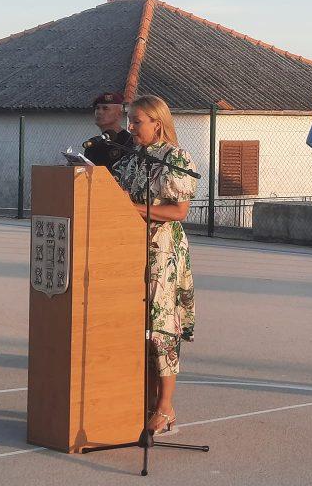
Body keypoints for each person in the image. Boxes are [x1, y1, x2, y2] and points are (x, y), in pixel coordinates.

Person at [111, 94, 198, 435]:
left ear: (157, 124)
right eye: (130, 121)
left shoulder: (176, 159)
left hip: (162, 252)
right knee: (135, 327)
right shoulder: (130, 159)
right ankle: (141, 400)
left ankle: (165, 406)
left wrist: (131, 209)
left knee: (160, 326)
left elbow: (178, 212)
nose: (130, 127)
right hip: (127, 249)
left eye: (136, 122)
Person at [84, 92, 134, 169]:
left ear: (119, 114)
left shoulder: (129, 142)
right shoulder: (92, 143)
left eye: (105, 108)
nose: (99, 112)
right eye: (97, 108)